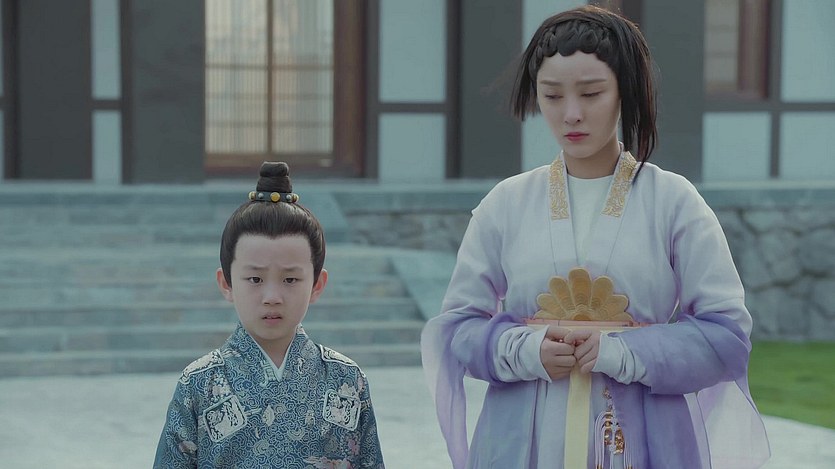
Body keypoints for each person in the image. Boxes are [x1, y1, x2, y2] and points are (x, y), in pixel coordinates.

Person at [421, 5, 770, 469]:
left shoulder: (674, 202)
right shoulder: (505, 204)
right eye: (552, 95)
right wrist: (525, 350)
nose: (571, 114)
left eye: (591, 93)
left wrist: (622, 352)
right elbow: (457, 328)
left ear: (625, 91)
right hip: (519, 443)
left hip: (644, 442)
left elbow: (726, 335)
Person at [154, 162, 385, 468]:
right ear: (226, 283)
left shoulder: (347, 379)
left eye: (290, 279)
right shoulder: (198, 384)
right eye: (255, 279)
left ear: (317, 285)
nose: (272, 297)